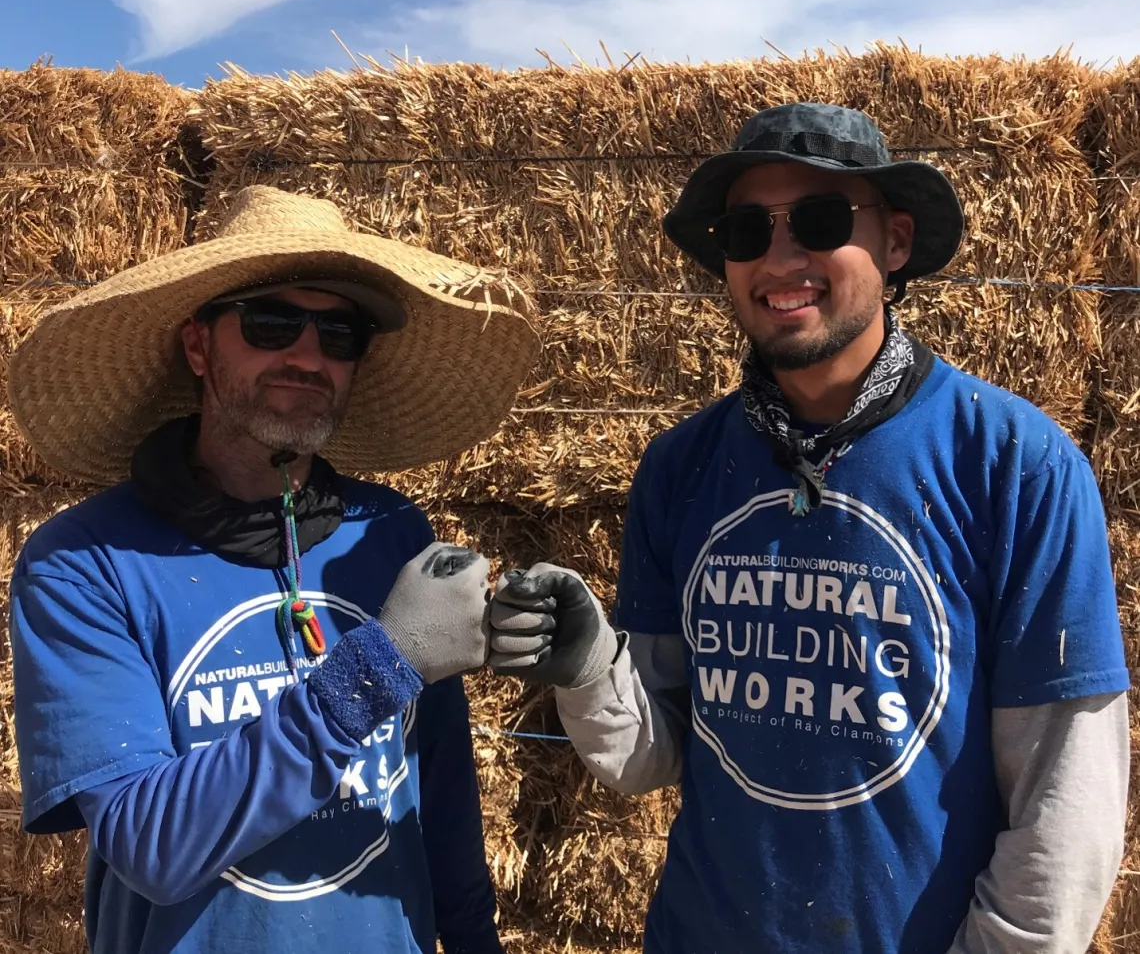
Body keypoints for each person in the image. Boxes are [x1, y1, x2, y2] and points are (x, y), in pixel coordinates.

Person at [486, 103, 1131, 954]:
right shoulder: (680, 467)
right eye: (747, 229)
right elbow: (650, 754)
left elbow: (1066, 795)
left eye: (821, 221)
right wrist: (584, 664)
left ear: (896, 243)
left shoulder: (1016, 464)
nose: (780, 258)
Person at [6, 185, 539, 954]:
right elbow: (151, 843)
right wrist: (372, 673)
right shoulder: (84, 564)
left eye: (340, 333)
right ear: (198, 346)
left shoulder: (389, 534)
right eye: (272, 322)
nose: (308, 355)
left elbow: (441, 783)